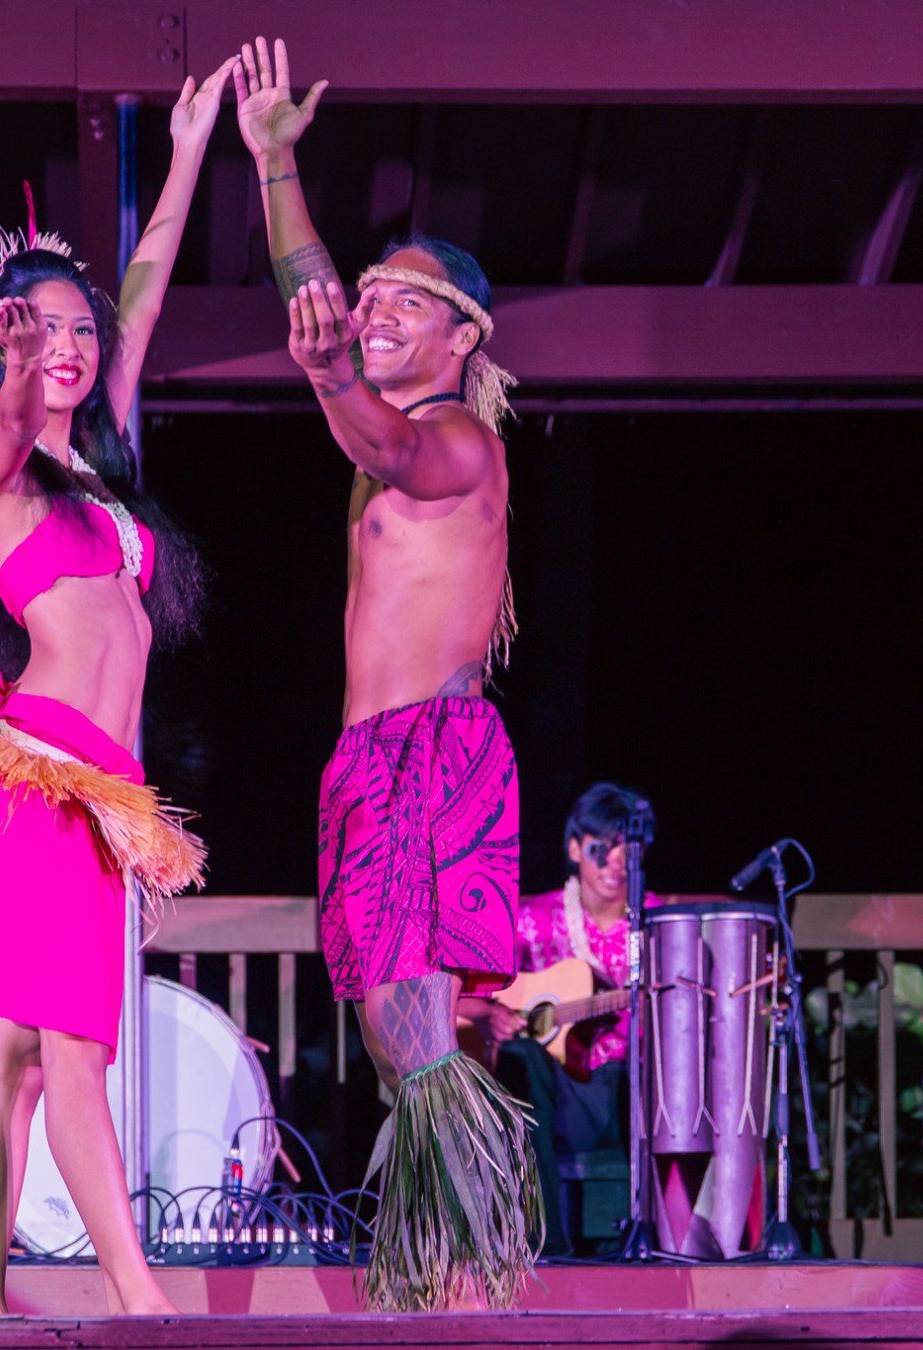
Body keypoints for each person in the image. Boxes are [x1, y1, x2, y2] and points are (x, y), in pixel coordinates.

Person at [0, 59, 232, 1317]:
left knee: (22, 1056)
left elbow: (147, 282)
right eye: (46, 330)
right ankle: (142, 1303)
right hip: (38, 774)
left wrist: (187, 151)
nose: (75, 347)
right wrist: (13, 365)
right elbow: (15, 418)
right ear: (2, 342)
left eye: (82, 333)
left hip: (106, 788)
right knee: (71, 1051)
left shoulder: (110, 456)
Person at [232, 36, 539, 1311]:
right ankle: (448, 1272)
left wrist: (331, 374)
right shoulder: (376, 427)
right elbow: (333, 347)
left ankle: (467, 1289)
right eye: (371, 298)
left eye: (404, 302)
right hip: (376, 761)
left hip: (428, 751)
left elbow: (371, 424)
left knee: (417, 1049)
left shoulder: (455, 440)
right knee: (398, 1040)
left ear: (465, 334)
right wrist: (274, 165)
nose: (371, 312)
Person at [462, 783, 649, 1255]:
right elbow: (460, 993)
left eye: (627, 851)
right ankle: (544, 1242)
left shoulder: (657, 926)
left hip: (635, 1093)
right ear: (574, 849)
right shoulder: (529, 920)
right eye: (600, 850)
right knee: (521, 1059)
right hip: (563, 1098)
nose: (614, 864)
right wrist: (489, 1014)